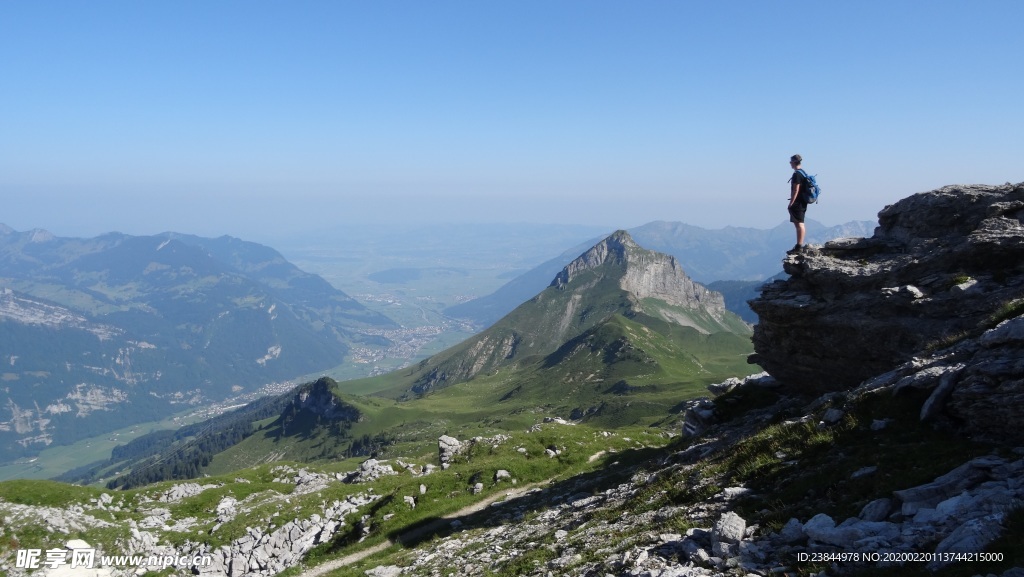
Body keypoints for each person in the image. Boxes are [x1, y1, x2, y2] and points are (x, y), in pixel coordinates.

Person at [787, 154, 810, 254]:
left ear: (794, 162)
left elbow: (796, 189)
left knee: (799, 224)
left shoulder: (797, 174)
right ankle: (799, 245)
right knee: (800, 223)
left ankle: (799, 246)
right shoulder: (803, 172)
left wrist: (791, 203)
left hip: (798, 202)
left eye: (790, 162)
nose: (790, 164)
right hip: (803, 201)